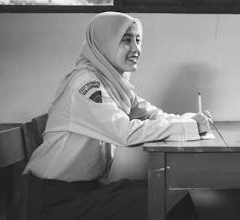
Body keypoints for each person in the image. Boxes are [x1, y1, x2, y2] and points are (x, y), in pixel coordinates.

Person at [25, 12, 210, 220]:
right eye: (126, 40)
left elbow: (151, 115)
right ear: (105, 43)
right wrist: (185, 126)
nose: (136, 49)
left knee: (173, 195)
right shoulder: (85, 84)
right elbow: (125, 132)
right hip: (56, 199)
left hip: (85, 190)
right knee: (167, 202)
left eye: (138, 40)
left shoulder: (114, 84)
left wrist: (187, 120)